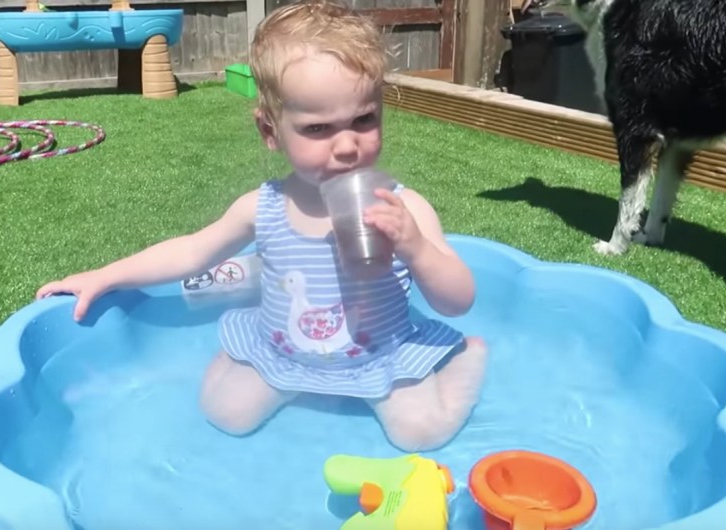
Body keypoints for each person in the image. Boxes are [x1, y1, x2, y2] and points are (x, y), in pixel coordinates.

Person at [35, 0, 487, 452]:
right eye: (318, 129)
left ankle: (465, 360)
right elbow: (193, 252)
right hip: (284, 351)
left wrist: (415, 249)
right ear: (270, 131)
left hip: (380, 357)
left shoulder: (404, 206)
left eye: (364, 120)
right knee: (225, 412)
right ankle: (249, 314)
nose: (347, 145)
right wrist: (105, 276)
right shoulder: (264, 207)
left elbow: (457, 300)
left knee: (420, 433)